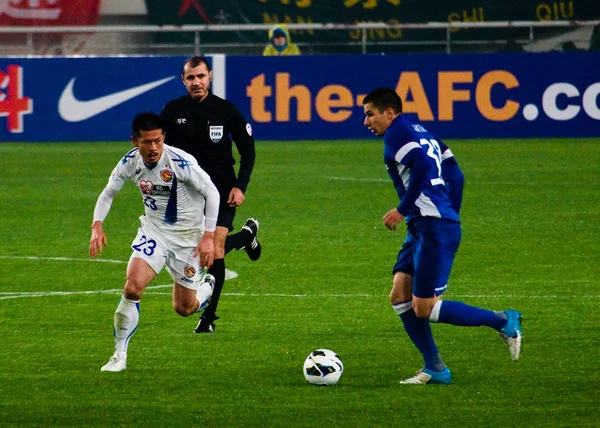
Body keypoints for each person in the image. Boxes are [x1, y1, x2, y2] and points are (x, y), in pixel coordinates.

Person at [362, 87, 523, 385]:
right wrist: (449, 212)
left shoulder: (397, 133)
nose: (366, 122)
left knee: (424, 308)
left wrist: (403, 209)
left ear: (389, 112)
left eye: (370, 114)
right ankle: (435, 368)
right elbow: (455, 174)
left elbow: (422, 166)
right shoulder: (421, 130)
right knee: (400, 296)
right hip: (426, 225)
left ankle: (502, 320)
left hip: (432, 226)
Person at [90, 112, 220, 372]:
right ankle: (119, 355)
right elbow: (108, 194)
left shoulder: (181, 163)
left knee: (184, 308)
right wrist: (97, 225)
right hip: (154, 232)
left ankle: (206, 288)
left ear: (164, 138)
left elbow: (212, 192)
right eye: (146, 142)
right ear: (134, 141)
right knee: (132, 288)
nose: (153, 148)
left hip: (187, 238)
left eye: (157, 141)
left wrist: (208, 236)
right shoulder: (129, 162)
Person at [161, 56, 261, 334]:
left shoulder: (226, 111)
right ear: (183, 80)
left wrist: (240, 186)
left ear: (210, 77)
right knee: (202, 251)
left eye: (201, 76)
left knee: (214, 250)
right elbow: (161, 153)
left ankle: (208, 318)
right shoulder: (171, 111)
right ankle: (245, 237)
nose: (196, 82)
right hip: (185, 194)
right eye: (191, 78)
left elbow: (248, 151)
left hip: (221, 190)